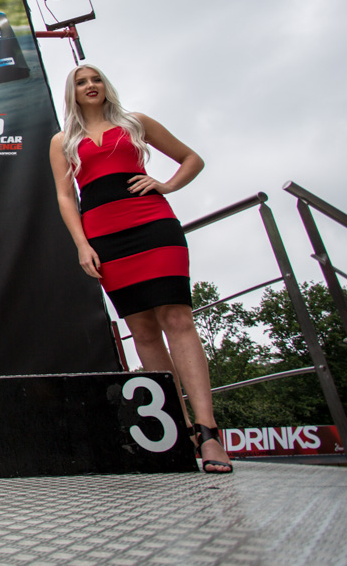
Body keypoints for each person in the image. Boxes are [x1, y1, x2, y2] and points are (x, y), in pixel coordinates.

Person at [48, 63, 232, 474]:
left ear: (106, 86)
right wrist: (82, 245)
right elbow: (65, 197)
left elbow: (191, 159)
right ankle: (180, 431)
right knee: (144, 330)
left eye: (96, 79)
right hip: (104, 238)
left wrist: (166, 185)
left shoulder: (136, 123)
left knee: (177, 318)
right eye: (81, 82)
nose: (90, 85)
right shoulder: (63, 141)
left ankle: (209, 432)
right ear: (72, 92)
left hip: (153, 226)